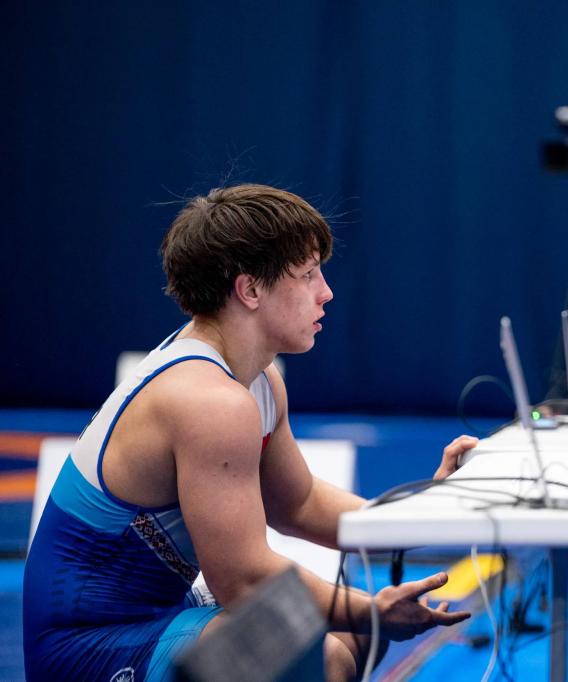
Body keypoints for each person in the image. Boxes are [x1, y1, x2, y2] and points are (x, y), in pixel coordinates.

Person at [23, 185, 476, 682]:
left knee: (354, 633)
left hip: (152, 614)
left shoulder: (256, 381)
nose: (326, 292)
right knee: (325, 651)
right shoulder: (210, 401)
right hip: (86, 646)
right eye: (308, 274)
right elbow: (241, 580)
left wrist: (421, 514)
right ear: (250, 290)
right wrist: (372, 608)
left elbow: (298, 504)